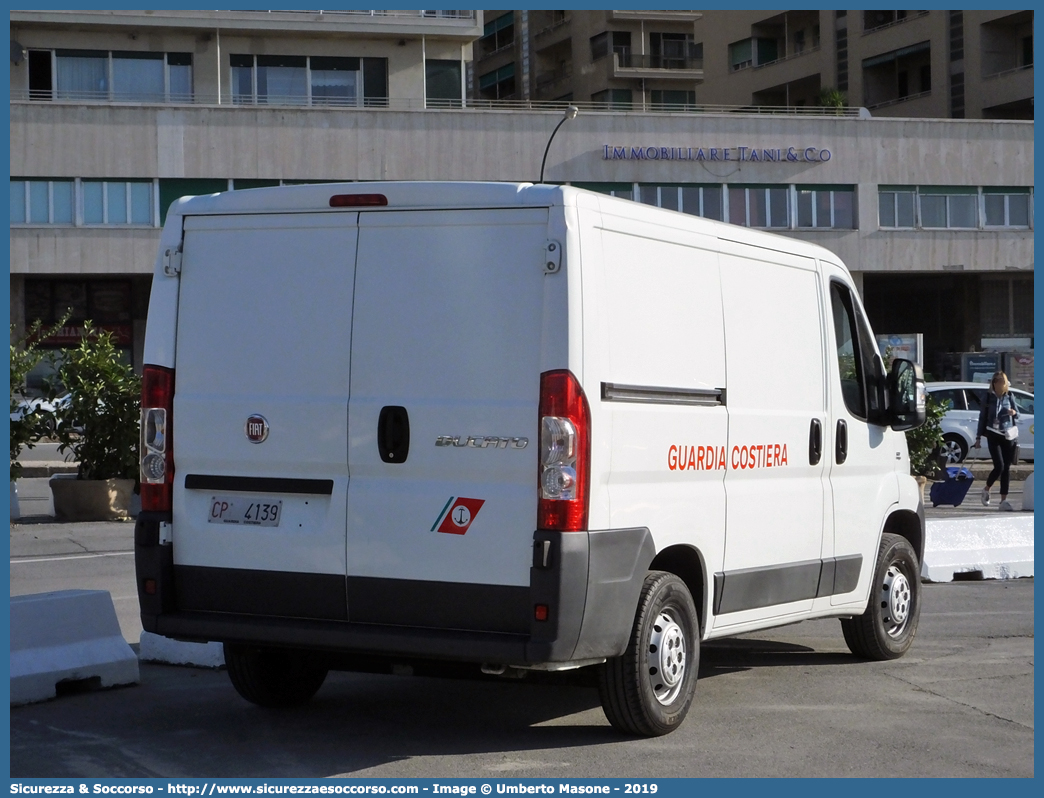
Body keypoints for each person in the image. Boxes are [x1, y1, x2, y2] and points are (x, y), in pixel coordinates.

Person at [974, 371, 1020, 511]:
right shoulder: (987, 398)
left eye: (1000, 380)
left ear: (1005, 382)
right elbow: (982, 418)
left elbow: (1018, 413)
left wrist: (1013, 412)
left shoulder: (1009, 396)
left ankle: (1003, 500)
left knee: (1006, 468)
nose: (997, 383)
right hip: (992, 434)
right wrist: (978, 438)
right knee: (999, 465)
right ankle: (987, 488)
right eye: (995, 380)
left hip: (1007, 434)